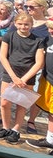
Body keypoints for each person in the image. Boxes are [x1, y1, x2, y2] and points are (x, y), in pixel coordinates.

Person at [0, 13, 45, 144]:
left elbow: (39, 63)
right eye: (20, 24)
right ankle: (5, 127)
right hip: (10, 73)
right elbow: (3, 57)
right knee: (4, 102)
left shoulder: (38, 41)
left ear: (31, 25)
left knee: (21, 104)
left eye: (26, 24)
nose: (23, 26)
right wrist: (14, 77)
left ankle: (16, 129)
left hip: (28, 75)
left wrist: (24, 79)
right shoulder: (8, 36)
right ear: (15, 24)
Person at [25, 20, 53, 151]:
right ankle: (50, 139)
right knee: (50, 112)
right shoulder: (48, 39)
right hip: (47, 79)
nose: (50, 31)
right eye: (49, 28)